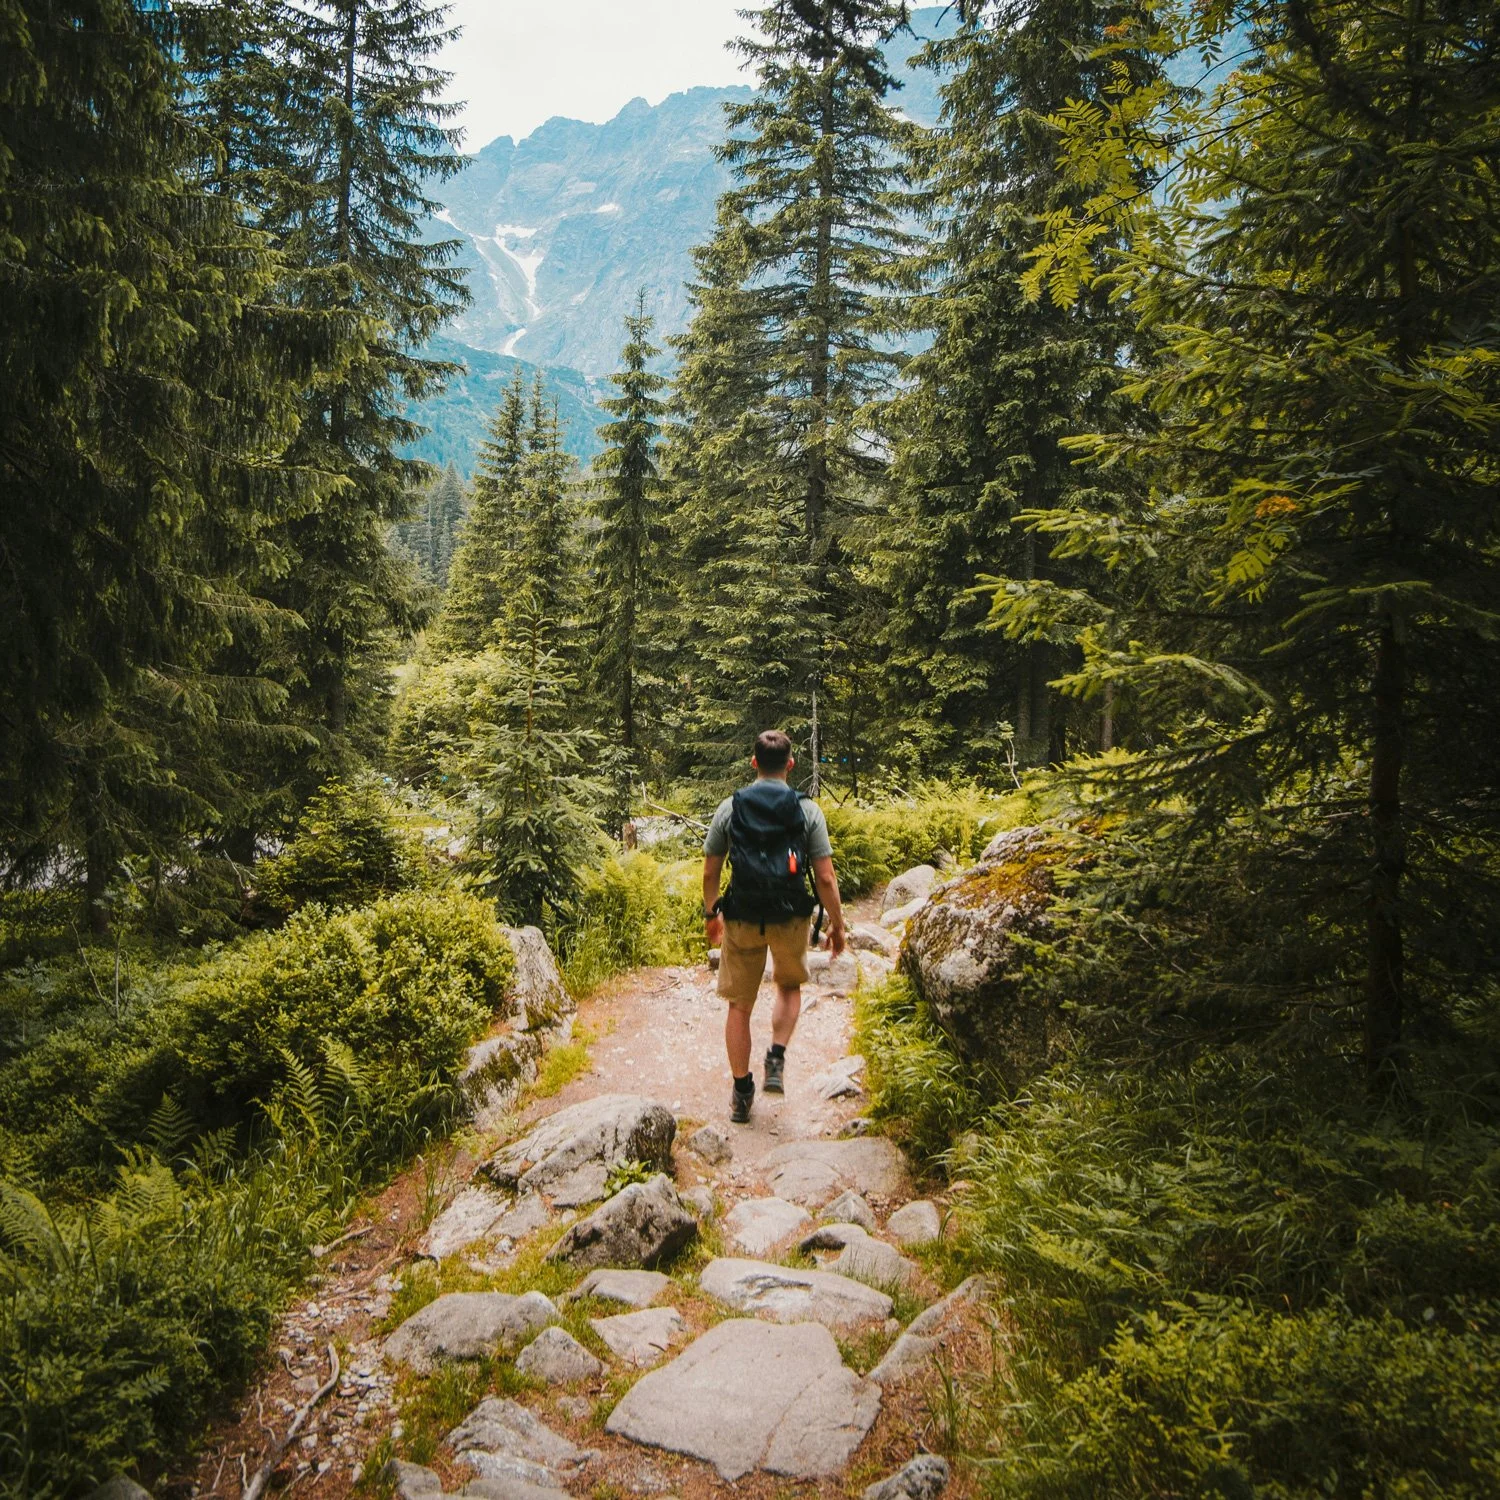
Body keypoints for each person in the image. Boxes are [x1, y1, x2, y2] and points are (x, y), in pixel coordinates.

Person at [702, 728, 846, 1123]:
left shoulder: (729, 809)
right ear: (790, 764)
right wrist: (837, 926)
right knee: (787, 985)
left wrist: (712, 913)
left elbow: (711, 869)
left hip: (744, 915)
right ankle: (776, 1057)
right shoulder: (807, 810)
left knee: (739, 1005)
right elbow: (826, 878)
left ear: (753, 764)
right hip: (789, 916)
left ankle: (742, 1091)